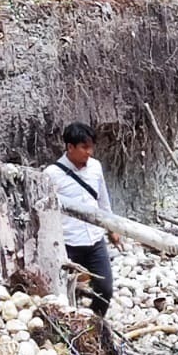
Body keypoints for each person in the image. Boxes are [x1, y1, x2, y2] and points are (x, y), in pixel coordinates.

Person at [49, 122, 117, 316]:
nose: (89, 152)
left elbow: (102, 199)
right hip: (68, 242)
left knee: (105, 289)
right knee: (66, 293)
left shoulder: (95, 167)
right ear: (70, 147)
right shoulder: (51, 174)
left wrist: (111, 228)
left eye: (91, 147)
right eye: (84, 147)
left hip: (95, 239)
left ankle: (95, 322)